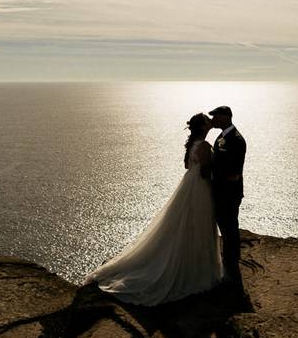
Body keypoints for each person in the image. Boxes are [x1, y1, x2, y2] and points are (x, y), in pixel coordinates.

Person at [83, 113, 222, 305]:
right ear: (202, 127)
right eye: (208, 121)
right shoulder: (205, 146)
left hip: (189, 186)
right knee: (198, 226)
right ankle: (196, 271)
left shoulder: (193, 146)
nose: (210, 123)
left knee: (186, 225)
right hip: (200, 189)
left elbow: (186, 166)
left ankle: (188, 265)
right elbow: (206, 172)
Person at [208, 105, 246, 286]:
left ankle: (231, 269)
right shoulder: (222, 137)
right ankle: (228, 266)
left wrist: (213, 174)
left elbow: (234, 174)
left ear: (225, 117)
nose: (213, 120)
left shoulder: (236, 140)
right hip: (220, 192)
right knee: (226, 229)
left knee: (230, 231)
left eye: (215, 116)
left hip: (228, 194)